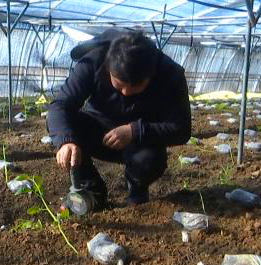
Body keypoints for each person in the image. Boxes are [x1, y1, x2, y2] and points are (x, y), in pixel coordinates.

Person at [47, 29, 191, 210]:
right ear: (108, 67)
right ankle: (91, 191)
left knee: (151, 160)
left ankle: (137, 193)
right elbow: (61, 105)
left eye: (136, 86)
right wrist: (66, 140)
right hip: (97, 130)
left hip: (139, 143)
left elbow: (182, 129)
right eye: (119, 85)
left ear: (151, 74)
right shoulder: (94, 59)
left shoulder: (170, 74)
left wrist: (134, 131)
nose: (125, 93)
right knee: (66, 125)